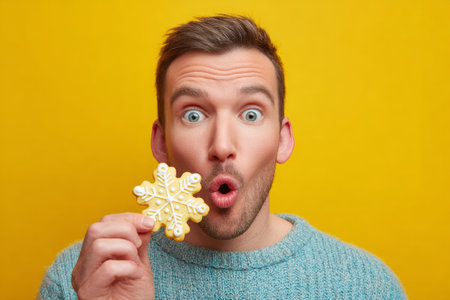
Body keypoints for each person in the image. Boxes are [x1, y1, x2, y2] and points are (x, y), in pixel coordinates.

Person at [38, 15, 407, 299]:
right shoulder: (83, 278)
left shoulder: (364, 284)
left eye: (250, 114)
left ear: (282, 140)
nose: (222, 145)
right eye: (194, 115)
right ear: (162, 142)